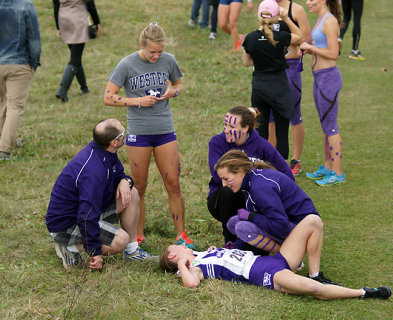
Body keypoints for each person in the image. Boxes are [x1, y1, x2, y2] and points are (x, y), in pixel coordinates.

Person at [104, 23, 196, 249]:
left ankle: (181, 235)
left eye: (160, 52)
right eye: (152, 52)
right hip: (139, 133)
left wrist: (174, 91)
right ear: (141, 45)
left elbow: (179, 83)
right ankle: (138, 235)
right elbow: (108, 97)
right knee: (140, 187)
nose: (156, 56)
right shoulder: (126, 64)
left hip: (165, 130)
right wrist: (137, 101)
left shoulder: (169, 60)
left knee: (173, 183)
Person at [159, 214, 392, 301]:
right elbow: (191, 284)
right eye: (177, 246)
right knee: (312, 289)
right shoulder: (195, 267)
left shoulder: (201, 254)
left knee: (312, 221)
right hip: (266, 274)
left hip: (273, 260)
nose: (183, 244)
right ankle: (363, 292)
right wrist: (181, 262)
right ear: (172, 255)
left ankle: (315, 272)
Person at [46, 119, 156, 271]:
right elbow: (86, 215)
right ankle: (69, 247)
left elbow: (119, 174)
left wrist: (125, 180)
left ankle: (132, 252)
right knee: (120, 240)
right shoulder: (93, 172)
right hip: (66, 226)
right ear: (114, 142)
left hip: (88, 212)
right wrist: (94, 251)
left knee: (132, 192)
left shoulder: (104, 151)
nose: (125, 134)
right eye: (122, 133)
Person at [208, 106, 294, 247]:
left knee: (261, 193)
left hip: (255, 198)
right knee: (229, 191)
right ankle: (230, 242)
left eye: (231, 126)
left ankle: (274, 241)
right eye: (225, 125)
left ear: (245, 128)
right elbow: (218, 177)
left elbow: (288, 176)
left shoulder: (262, 145)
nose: (226, 130)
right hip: (223, 198)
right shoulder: (217, 142)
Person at [214, 149, 318, 254]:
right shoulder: (250, 180)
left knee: (242, 227)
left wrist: (251, 217)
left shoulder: (259, 187)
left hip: (305, 232)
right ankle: (240, 252)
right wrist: (235, 248)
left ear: (240, 171)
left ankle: (288, 256)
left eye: (226, 178)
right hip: (292, 225)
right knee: (233, 222)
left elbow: (281, 225)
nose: (224, 184)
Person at [242, 0, 302, 160]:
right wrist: (287, 19)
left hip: (259, 89)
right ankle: (281, 171)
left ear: (258, 15)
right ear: (277, 16)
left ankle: (261, 167)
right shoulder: (280, 36)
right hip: (279, 88)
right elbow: (300, 36)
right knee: (282, 134)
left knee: (261, 133)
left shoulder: (251, 38)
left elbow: (246, 62)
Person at [300, 0, 346, 186]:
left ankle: (338, 172)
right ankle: (328, 167)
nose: (308, 2)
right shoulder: (320, 19)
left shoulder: (330, 21)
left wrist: (310, 48)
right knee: (325, 125)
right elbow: (319, 46)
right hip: (319, 77)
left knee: (331, 126)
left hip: (328, 78)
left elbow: (334, 53)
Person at [267, 0, 311, 176]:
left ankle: (296, 160)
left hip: (290, 67)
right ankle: (272, 159)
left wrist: (289, 42)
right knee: (270, 116)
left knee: (293, 114)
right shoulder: (267, 8)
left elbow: (306, 38)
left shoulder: (296, 9)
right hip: (271, 69)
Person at [0, 0, 41, 161]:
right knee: (15, 107)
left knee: (3, 102)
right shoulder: (26, 6)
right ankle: (4, 149)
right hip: (18, 63)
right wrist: (34, 61)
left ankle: (8, 139)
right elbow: (34, 37)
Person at [53, 0, 100, 102]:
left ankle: (84, 87)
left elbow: (56, 4)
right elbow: (90, 3)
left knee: (76, 57)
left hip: (64, 20)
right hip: (78, 20)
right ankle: (62, 90)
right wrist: (96, 21)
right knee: (75, 59)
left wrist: (58, 26)